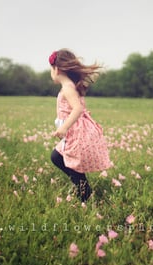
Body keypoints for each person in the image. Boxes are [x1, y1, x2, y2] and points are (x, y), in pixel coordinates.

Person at [49, 49, 112, 202]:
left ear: (56, 69)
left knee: (63, 159)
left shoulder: (68, 88)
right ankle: (81, 186)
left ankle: (84, 192)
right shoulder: (70, 86)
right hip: (75, 131)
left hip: (76, 132)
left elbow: (77, 108)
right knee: (59, 157)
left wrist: (64, 127)